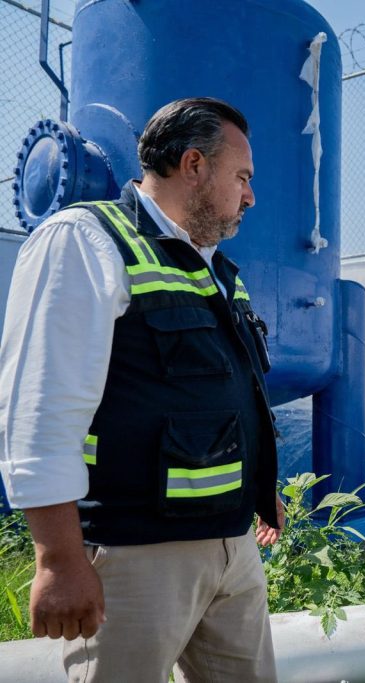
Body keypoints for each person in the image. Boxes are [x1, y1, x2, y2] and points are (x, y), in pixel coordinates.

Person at [0, 97, 284, 681]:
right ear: (195, 166)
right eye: (243, 177)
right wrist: (58, 558)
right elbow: (40, 407)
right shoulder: (85, 239)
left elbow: (234, 394)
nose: (250, 196)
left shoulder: (217, 271)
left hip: (233, 548)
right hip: (133, 557)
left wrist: (259, 485)